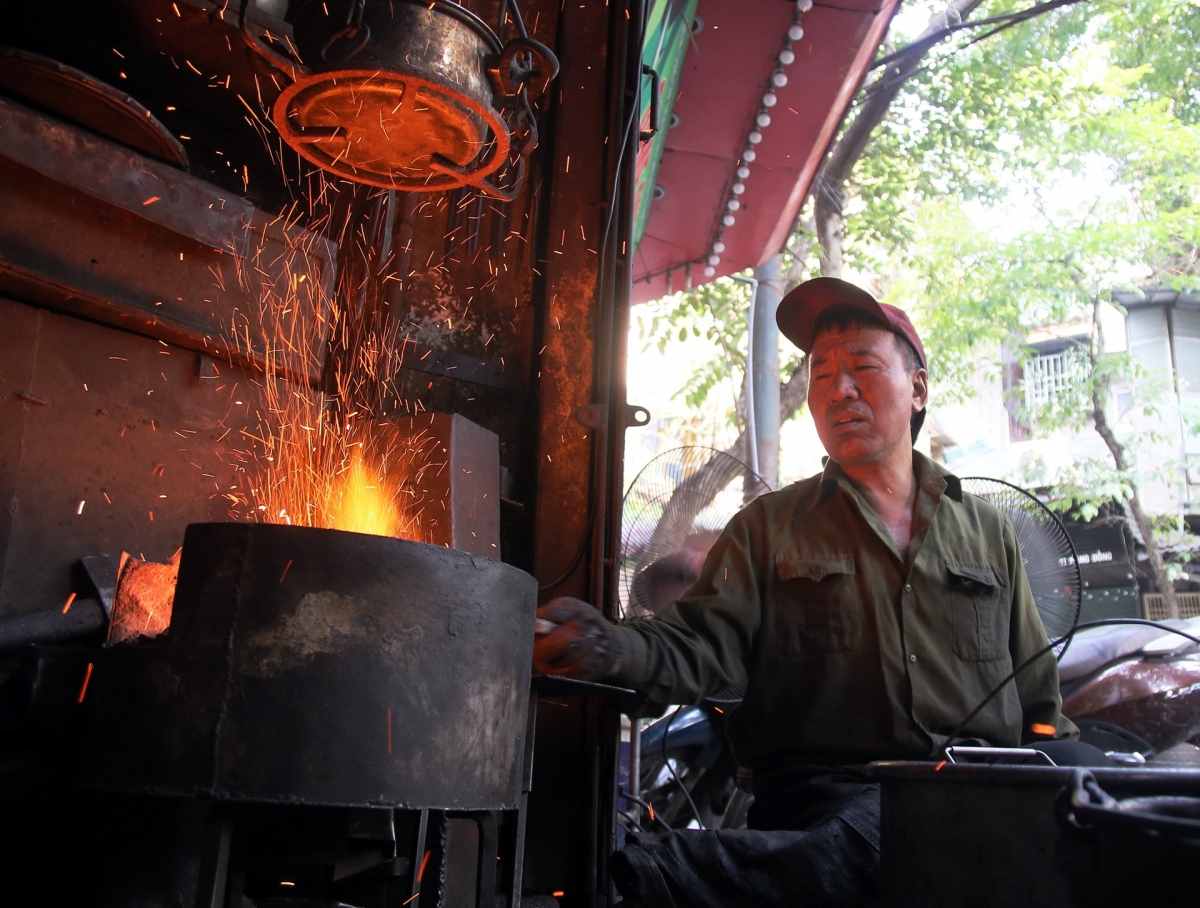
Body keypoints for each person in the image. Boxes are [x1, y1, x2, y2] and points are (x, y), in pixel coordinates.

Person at [533, 277, 1078, 906]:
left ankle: (692, 876)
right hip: (825, 798)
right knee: (885, 838)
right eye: (821, 375)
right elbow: (697, 645)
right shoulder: (767, 529)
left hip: (979, 796)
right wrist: (605, 647)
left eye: (863, 368)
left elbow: (1039, 701)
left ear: (919, 388)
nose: (838, 390)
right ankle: (661, 875)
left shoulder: (988, 532)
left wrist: (1063, 785)